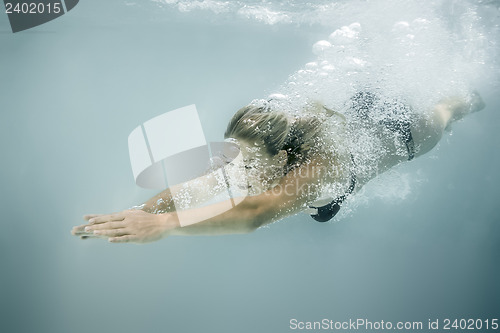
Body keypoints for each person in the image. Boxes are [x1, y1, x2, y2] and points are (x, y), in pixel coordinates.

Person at [71, 91, 485, 243]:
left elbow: (253, 215)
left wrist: (163, 227)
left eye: (249, 158)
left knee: (447, 110)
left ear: (282, 158)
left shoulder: (317, 170)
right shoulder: (255, 156)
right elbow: (191, 190)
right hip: (356, 113)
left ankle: (476, 92)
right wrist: (141, 212)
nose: (238, 166)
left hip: (403, 132)